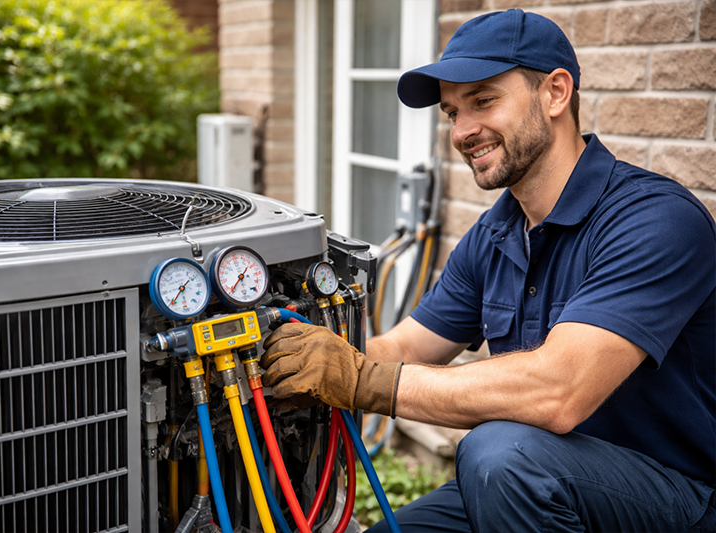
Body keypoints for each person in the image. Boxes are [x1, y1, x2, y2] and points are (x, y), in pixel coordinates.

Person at [261, 8, 716, 533]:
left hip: (674, 498)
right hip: (530, 481)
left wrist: (364, 381)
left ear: (555, 93)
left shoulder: (654, 220)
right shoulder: (496, 233)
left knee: (497, 450)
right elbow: (408, 347)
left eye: (483, 101)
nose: (463, 131)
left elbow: (559, 390)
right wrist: (297, 357)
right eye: (452, 112)